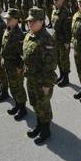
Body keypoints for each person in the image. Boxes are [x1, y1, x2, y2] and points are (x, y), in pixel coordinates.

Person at [23, 8, 57, 145]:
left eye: (33, 21)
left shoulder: (47, 40)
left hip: (42, 81)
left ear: (42, 21)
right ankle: (39, 125)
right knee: (35, 104)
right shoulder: (29, 35)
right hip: (31, 78)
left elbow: (50, 66)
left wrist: (47, 85)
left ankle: (46, 130)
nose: (30, 24)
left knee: (43, 105)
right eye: (29, 21)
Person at [1, 8, 28, 121]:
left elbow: (23, 55)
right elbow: (3, 46)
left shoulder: (18, 35)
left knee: (18, 88)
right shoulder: (7, 30)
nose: (7, 20)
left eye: (10, 19)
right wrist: (2, 58)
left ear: (16, 20)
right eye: (6, 18)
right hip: (8, 65)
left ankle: (22, 109)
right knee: (12, 87)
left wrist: (19, 67)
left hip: (15, 67)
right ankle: (17, 104)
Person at [51, 0, 72, 87]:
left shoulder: (66, 12)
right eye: (54, 0)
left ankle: (66, 78)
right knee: (58, 59)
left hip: (63, 40)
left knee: (64, 59)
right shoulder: (55, 10)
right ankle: (61, 75)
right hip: (56, 39)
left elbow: (68, 29)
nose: (55, 2)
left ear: (62, 0)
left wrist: (67, 42)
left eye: (56, 0)